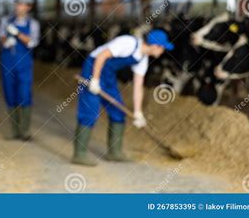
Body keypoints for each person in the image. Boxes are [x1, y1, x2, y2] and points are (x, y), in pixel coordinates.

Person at [72, 29, 174, 166]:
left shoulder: (142, 59)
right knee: (90, 110)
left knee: (118, 111)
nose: (162, 52)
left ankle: (114, 152)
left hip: (108, 75)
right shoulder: (128, 43)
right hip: (93, 68)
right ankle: (79, 154)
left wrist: (138, 113)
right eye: (163, 48)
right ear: (155, 46)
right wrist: (95, 80)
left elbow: (138, 86)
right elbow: (101, 56)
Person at [0, 0, 40, 140]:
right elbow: (1, 36)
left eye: (21, 4)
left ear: (28, 7)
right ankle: (15, 130)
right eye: (17, 4)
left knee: (25, 94)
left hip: (24, 64)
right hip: (7, 62)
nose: (18, 7)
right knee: (10, 93)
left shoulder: (33, 24)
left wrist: (17, 33)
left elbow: (32, 42)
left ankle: (25, 131)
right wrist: (6, 41)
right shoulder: (5, 21)